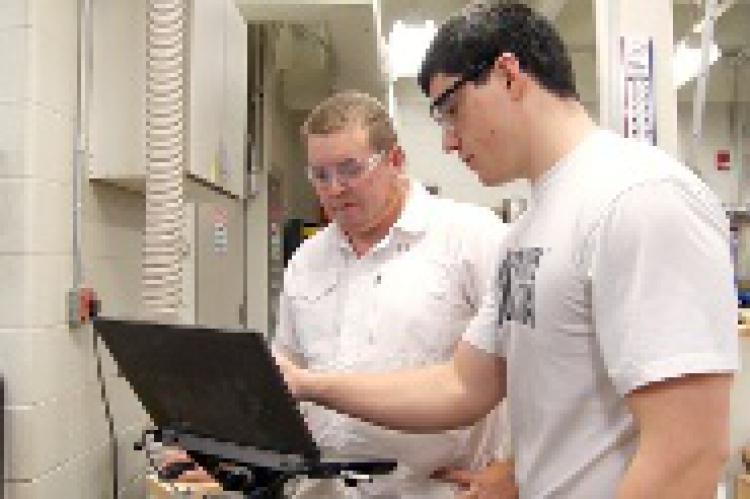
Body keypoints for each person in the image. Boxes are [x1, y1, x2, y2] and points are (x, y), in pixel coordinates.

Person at [276, 3, 740, 498]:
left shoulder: (638, 198)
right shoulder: (527, 230)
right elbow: (462, 386)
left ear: (508, 75)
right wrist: (308, 385)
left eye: (451, 110)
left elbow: (687, 455)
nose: (449, 142)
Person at [274, 90, 514, 498]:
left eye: (350, 170)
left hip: (434, 490)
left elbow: (541, 368)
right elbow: (287, 375)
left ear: (396, 161)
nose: (334, 189)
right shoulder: (307, 260)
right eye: (320, 175)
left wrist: (516, 470)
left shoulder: (471, 237)